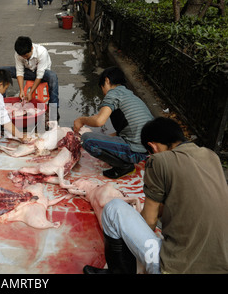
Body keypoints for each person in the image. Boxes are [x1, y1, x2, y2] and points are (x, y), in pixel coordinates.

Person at [84, 117, 228, 274]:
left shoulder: (159, 160)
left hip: (175, 268)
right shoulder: (211, 156)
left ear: (153, 147)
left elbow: (150, 222)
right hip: (220, 267)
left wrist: (136, 221)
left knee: (114, 209)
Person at [73, 67, 153, 179]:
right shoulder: (130, 95)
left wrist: (81, 120)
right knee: (102, 137)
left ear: (106, 81)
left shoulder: (113, 93)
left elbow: (99, 121)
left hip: (135, 151)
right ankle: (124, 160)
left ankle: (124, 166)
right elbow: (126, 127)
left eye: (102, 89)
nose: (104, 94)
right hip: (146, 150)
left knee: (87, 139)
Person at [0, 36, 59, 119]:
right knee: (1, 71)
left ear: (31, 48)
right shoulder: (19, 53)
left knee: (52, 76)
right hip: (28, 71)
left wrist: (30, 92)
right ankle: (0, 104)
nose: (24, 57)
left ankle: (53, 110)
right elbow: (19, 71)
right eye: (22, 56)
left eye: (26, 55)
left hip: (43, 74)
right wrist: (21, 91)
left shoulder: (42, 52)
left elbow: (40, 75)